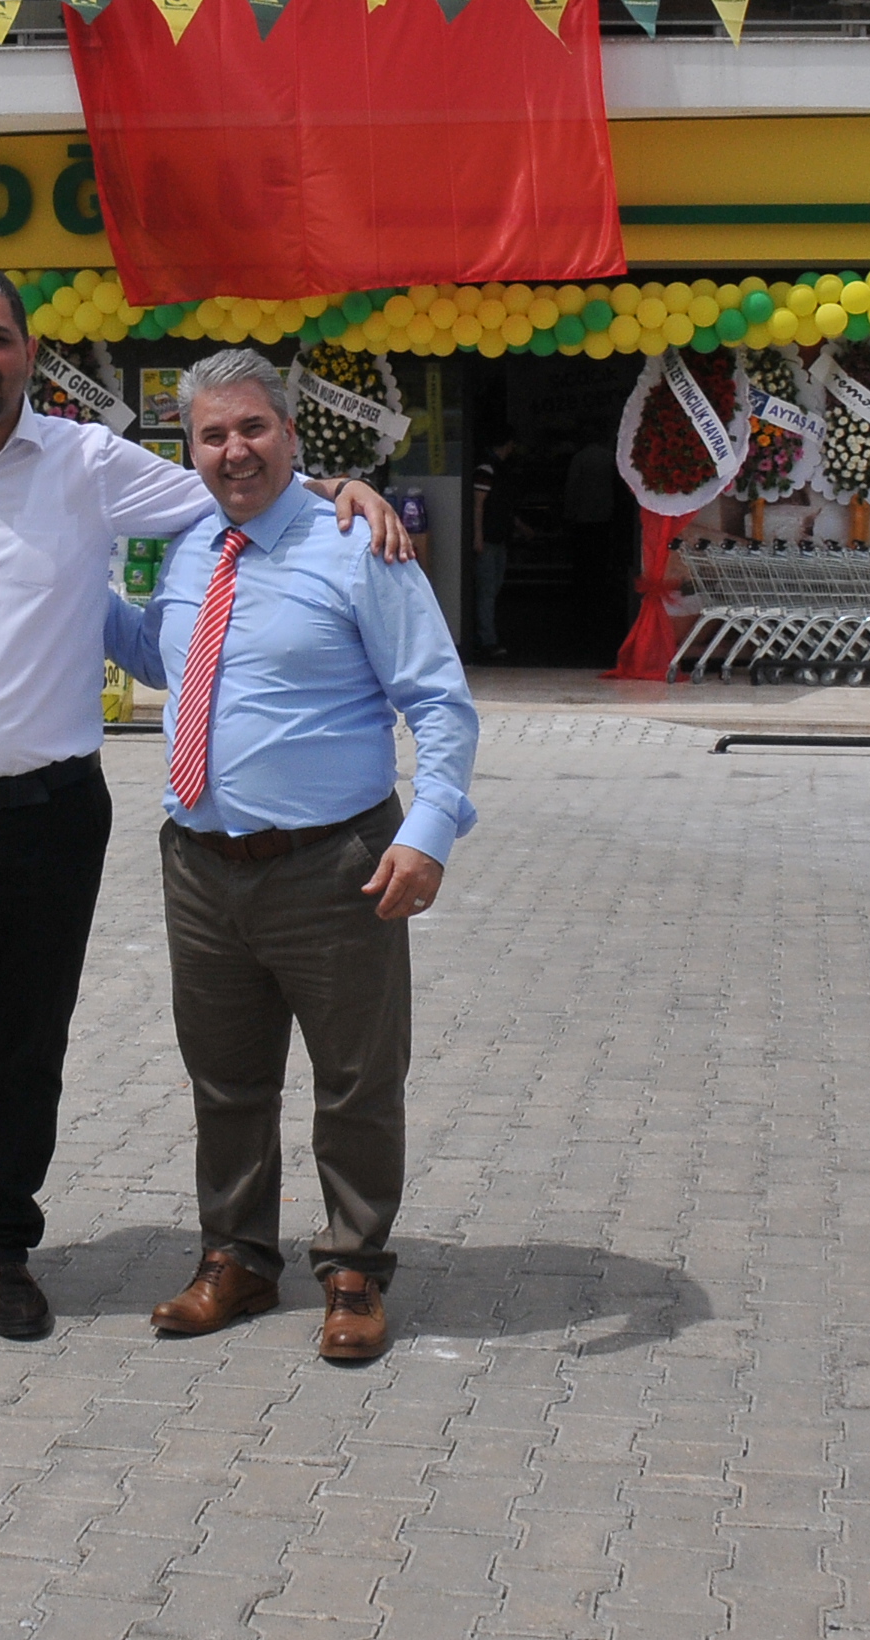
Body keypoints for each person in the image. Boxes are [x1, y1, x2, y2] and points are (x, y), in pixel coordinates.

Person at [0, 267, 411, 1345]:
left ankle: (3, 1250)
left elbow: (236, 480)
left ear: (28, 353)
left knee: (26, 1045)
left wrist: (336, 488)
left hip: (45, 816)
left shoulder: (89, 463)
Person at [102, 350, 477, 1365]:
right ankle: (237, 1258)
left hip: (335, 865)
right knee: (226, 1080)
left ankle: (354, 1270)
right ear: (190, 450)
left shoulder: (358, 544)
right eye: (213, 435)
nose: (234, 450)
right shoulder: (190, 544)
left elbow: (439, 700)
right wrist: (65, 589)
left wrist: (428, 831)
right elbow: (164, 658)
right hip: (200, 865)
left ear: (291, 435)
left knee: (356, 1080)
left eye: (252, 428)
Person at [468, 431, 524, 659]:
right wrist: (478, 537)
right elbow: (478, 505)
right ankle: (487, 640)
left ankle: (485, 636)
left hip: (497, 537)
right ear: (508, 443)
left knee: (491, 589)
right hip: (489, 538)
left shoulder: (495, 468)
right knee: (487, 592)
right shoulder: (487, 469)